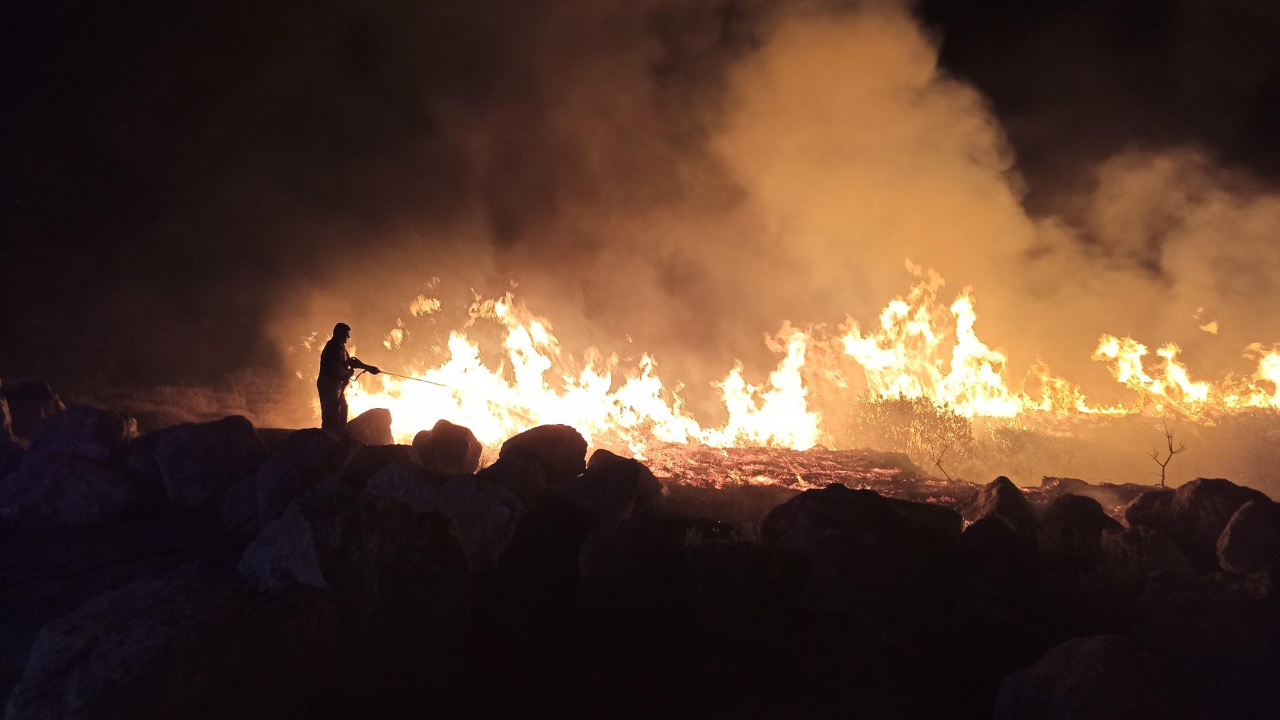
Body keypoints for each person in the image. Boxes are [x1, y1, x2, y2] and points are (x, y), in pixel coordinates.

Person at [317, 322, 380, 433]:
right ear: (339, 334)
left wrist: (368, 368)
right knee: (332, 414)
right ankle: (329, 438)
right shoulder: (332, 348)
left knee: (342, 410)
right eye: (347, 334)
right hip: (329, 385)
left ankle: (340, 436)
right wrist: (347, 374)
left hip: (336, 385)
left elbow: (351, 362)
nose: (349, 337)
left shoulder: (341, 347)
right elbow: (335, 367)